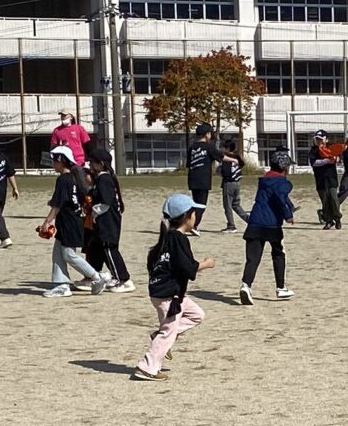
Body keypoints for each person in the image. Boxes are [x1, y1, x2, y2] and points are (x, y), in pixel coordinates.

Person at [135, 191, 207, 381]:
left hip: (167, 293)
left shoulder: (167, 238)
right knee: (168, 332)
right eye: (194, 213)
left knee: (197, 315)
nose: (196, 217)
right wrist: (205, 264)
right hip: (168, 296)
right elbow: (186, 267)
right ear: (186, 217)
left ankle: (160, 335)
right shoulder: (178, 239)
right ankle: (147, 367)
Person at [39, 145, 111, 298]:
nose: (53, 163)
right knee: (58, 252)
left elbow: (57, 204)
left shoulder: (63, 179)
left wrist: (47, 222)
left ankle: (97, 277)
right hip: (71, 220)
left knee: (68, 254)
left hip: (70, 222)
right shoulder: (73, 177)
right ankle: (61, 284)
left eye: (55, 160)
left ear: (61, 161)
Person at [238, 149, 295, 303]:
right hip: (272, 225)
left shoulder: (264, 181)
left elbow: (276, 197)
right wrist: (288, 215)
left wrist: (289, 207)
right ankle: (280, 288)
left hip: (255, 222)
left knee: (253, 258)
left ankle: (246, 285)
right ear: (285, 168)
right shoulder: (283, 183)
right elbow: (280, 198)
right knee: (278, 253)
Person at [84, 147, 133, 288]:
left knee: (109, 248)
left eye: (92, 162)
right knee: (95, 247)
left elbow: (105, 202)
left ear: (100, 164)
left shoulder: (104, 179)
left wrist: (93, 212)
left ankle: (122, 279)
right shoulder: (100, 179)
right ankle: (92, 276)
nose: (90, 165)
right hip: (103, 221)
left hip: (108, 221)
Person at [309, 133, 344, 231]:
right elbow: (314, 163)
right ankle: (329, 221)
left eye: (321, 139)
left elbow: (339, 157)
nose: (319, 141)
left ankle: (337, 218)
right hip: (320, 180)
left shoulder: (331, 148)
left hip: (331, 178)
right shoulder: (314, 150)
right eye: (317, 139)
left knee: (334, 199)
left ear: (326, 140)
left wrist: (336, 159)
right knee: (325, 201)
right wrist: (327, 161)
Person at [186, 125, 218, 219]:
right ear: (207, 134)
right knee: (201, 206)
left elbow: (188, 164)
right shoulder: (209, 147)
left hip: (192, 180)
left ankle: (189, 222)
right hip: (203, 181)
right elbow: (221, 156)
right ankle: (192, 224)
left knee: (195, 204)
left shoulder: (192, 147)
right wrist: (234, 160)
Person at [216, 139, 245, 231]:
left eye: (224, 147)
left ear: (228, 148)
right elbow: (242, 165)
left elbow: (225, 172)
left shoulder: (227, 158)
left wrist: (219, 171)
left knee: (227, 206)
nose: (223, 149)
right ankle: (249, 220)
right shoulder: (237, 157)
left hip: (229, 184)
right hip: (237, 183)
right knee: (236, 205)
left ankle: (231, 226)